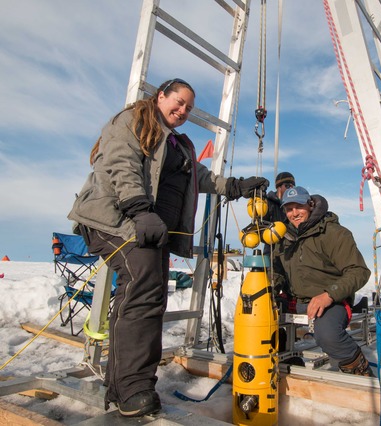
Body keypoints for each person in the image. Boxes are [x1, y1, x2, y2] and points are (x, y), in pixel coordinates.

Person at [68, 78, 268, 417]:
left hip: (150, 229)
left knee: (148, 297)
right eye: (178, 102)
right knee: (143, 289)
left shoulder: (179, 144)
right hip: (119, 219)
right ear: (160, 95)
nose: (183, 111)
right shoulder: (134, 120)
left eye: (189, 108)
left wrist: (234, 186)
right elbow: (121, 162)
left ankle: (123, 387)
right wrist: (139, 209)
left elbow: (200, 178)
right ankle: (133, 388)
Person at [272, 186, 373, 376]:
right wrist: (270, 287)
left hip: (330, 299)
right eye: (289, 208)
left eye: (299, 206)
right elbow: (277, 271)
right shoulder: (283, 238)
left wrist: (329, 295)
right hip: (295, 299)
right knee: (258, 320)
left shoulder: (334, 233)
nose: (294, 213)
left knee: (328, 335)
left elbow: (359, 271)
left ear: (310, 205)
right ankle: (286, 361)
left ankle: (360, 372)